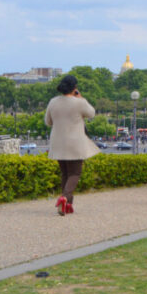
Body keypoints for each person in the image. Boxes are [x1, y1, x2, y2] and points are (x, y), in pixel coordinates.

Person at [45, 74, 101, 215]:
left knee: (65, 173)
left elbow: (48, 122)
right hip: (75, 142)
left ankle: (66, 205)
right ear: (74, 88)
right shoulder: (78, 103)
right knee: (75, 173)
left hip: (58, 141)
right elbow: (92, 113)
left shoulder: (53, 102)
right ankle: (64, 198)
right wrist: (80, 97)